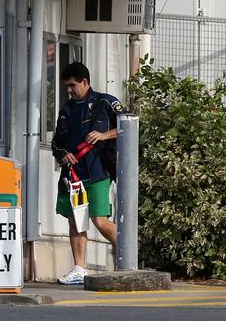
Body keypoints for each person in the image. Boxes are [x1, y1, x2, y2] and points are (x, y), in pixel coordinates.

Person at [51, 62, 124, 285]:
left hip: (98, 172)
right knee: (75, 222)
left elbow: (128, 125)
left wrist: (104, 135)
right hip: (73, 175)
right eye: (66, 86)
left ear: (84, 82)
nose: (69, 90)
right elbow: (56, 143)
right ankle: (80, 268)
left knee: (100, 220)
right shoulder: (66, 110)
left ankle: (127, 257)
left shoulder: (106, 102)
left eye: (72, 85)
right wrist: (62, 154)